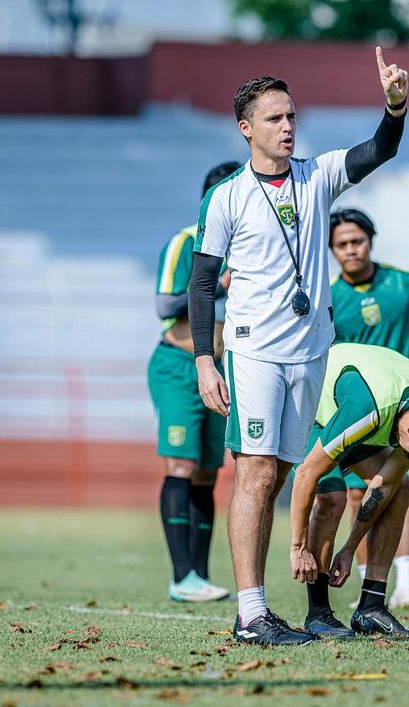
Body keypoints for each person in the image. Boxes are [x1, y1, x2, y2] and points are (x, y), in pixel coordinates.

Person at [189, 48, 409, 645]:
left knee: (282, 472)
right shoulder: (227, 196)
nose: (288, 127)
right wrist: (205, 361)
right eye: (274, 119)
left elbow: (379, 149)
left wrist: (394, 105)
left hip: (310, 351)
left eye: (292, 116)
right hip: (253, 349)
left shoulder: (318, 175)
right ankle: (250, 613)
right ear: (246, 128)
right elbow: (203, 283)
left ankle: (264, 610)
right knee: (256, 473)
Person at [288, 344, 409, 637]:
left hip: (351, 411)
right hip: (311, 409)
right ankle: (319, 613)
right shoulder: (368, 412)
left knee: (402, 488)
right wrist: (297, 547)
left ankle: (371, 608)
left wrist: (349, 548)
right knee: (332, 498)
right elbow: (306, 475)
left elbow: (383, 485)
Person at [328, 208, 409, 609]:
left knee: (402, 490)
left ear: (370, 241)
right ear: (332, 249)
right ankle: (365, 584)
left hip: (407, 412)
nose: (351, 250)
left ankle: (406, 586)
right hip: (364, 409)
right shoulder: (331, 296)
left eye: (357, 241)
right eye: (342, 244)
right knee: (356, 494)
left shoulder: (401, 281)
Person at [148, 162, 240, 602]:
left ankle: (199, 576)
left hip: (222, 370)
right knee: (180, 467)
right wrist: (217, 283)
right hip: (179, 366)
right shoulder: (186, 241)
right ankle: (180, 575)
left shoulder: (250, 246)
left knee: (207, 473)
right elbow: (165, 303)